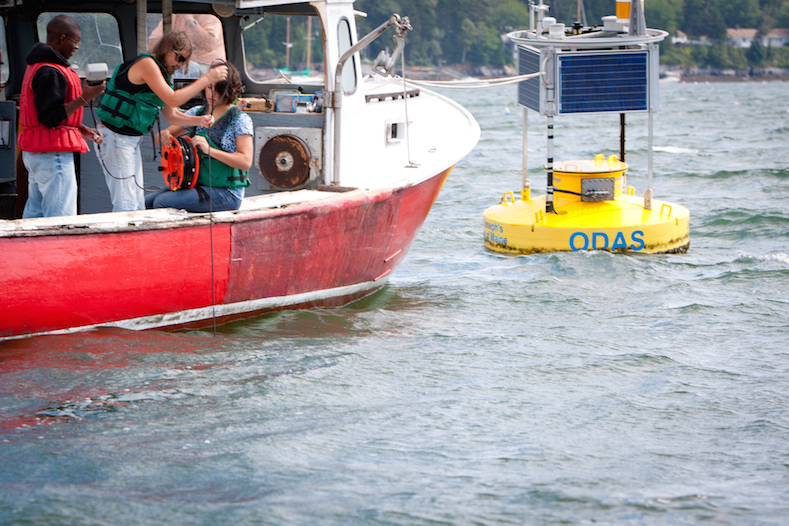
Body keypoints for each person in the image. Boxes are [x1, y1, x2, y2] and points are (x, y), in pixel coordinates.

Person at [95, 30, 227, 212]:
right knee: (126, 204)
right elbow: (173, 98)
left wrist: (199, 120)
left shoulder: (161, 75)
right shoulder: (147, 64)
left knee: (136, 204)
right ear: (166, 48)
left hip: (129, 141)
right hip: (116, 138)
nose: (180, 64)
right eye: (179, 57)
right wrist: (207, 79)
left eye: (184, 61)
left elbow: (171, 114)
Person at [18, 14, 105, 218]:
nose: (77, 47)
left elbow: (47, 112)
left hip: (36, 151)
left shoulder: (38, 66)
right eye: (75, 41)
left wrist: (81, 128)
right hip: (52, 153)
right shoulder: (51, 72)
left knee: (36, 215)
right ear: (62, 39)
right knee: (59, 218)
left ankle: (31, 251)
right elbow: (49, 117)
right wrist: (85, 98)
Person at [146, 62, 252, 212]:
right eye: (209, 87)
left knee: (161, 202)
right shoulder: (196, 112)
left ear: (229, 91)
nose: (211, 94)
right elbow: (159, 140)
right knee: (147, 203)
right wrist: (164, 135)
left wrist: (209, 150)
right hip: (196, 185)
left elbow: (245, 161)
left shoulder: (240, 120)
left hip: (227, 193)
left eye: (218, 90)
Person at [148, 14, 226, 79]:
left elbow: (209, 45)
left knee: (179, 71)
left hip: (208, 65)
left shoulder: (210, 17)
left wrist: (189, 19)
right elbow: (152, 45)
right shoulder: (172, 16)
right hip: (178, 63)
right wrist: (172, 44)